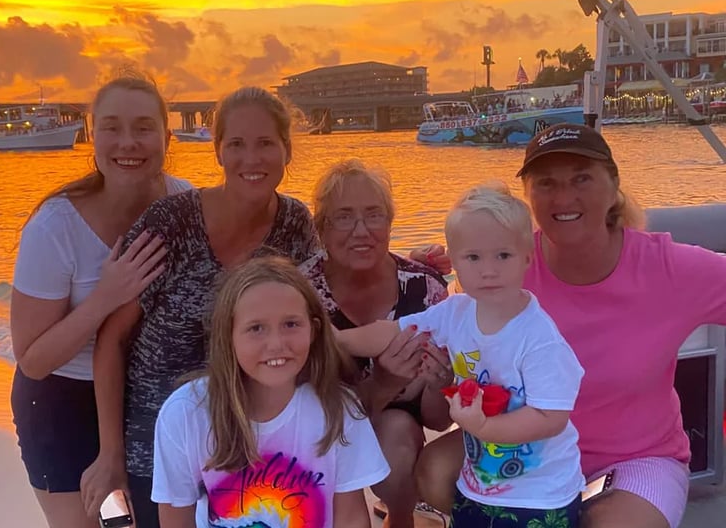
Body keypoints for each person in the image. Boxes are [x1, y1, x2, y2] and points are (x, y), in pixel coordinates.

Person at [415, 124, 726, 528]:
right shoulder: (504, 265)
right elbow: (454, 343)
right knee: (434, 471)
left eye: (581, 178)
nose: (563, 198)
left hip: (634, 457)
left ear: (613, 185)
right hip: (525, 447)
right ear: (529, 195)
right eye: (546, 183)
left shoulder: (669, 268)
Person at [81, 86, 320, 528]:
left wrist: (410, 265)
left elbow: (318, 312)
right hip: (156, 446)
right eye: (237, 144)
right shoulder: (170, 223)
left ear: (286, 150)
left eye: (265, 143)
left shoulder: (295, 224)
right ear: (218, 152)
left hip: (254, 448)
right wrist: (110, 453)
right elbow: (111, 338)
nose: (252, 158)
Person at [337, 182, 585, 527]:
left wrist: (485, 426)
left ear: (527, 257)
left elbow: (551, 417)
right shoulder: (455, 312)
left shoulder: (539, 338)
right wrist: (336, 340)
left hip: (540, 497)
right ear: (454, 262)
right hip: (477, 486)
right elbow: (390, 331)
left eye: (503, 255)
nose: (488, 270)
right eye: (473, 257)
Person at [9, 72, 191, 528]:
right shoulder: (55, 227)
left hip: (153, 397)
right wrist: (105, 297)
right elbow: (33, 360)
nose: (128, 142)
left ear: (167, 137)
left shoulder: (186, 203)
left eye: (144, 128)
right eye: (112, 127)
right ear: (93, 136)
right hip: (63, 399)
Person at [152, 255, 391, 527]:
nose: (276, 344)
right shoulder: (186, 412)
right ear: (227, 336)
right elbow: (175, 519)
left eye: (291, 324)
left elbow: (350, 519)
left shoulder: (339, 409)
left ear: (313, 330)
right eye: (256, 328)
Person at [299, 159, 451, 528]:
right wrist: (383, 381)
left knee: (396, 432)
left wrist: (440, 383)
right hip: (317, 431)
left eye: (374, 215)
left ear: (390, 223)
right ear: (321, 228)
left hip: (397, 430)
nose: (361, 230)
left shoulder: (426, 289)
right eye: (344, 217)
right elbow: (305, 417)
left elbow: (438, 419)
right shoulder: (300, 295)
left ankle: (400, 518)